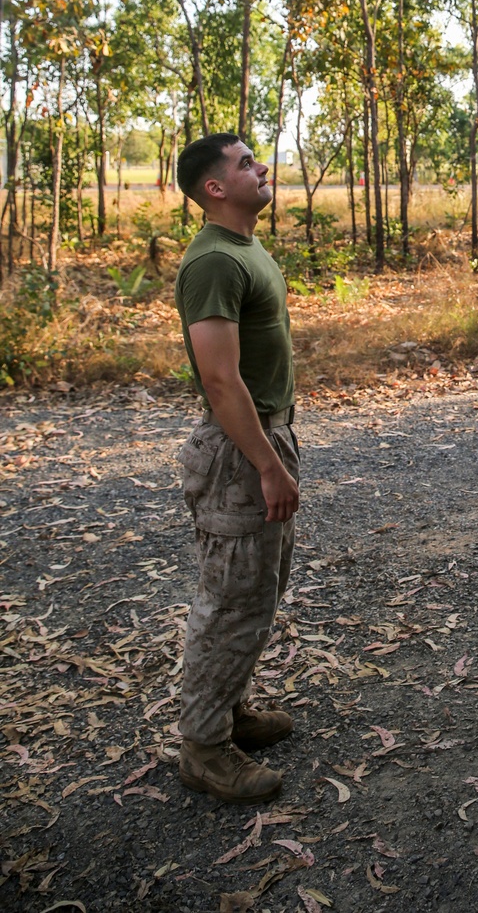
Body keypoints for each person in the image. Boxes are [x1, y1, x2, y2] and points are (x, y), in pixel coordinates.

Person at [173, 133, 301, 804]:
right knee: (229, 600)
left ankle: (229, 708)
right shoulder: (213, 263)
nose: (261, 168)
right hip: (239, 453)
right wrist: (266, 466)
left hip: (265, 440)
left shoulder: (245, 247)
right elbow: (220, 382)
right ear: (215, 188)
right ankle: (204, 746)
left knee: (256, 592)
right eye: (246, 164)